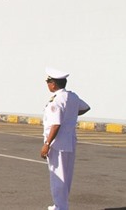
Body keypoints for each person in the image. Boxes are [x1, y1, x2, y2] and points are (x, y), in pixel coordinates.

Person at [41, 67, 90, 210]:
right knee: (66, 176)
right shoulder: (72, 96)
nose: (48, 84)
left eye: (48, 82)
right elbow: (86, 107)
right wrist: (71, 113)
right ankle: (61, 205)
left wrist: (47, 144)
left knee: (57, 177)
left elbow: (55, 124)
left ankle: (60, 207)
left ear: (53, 84)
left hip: (58, 144)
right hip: (69, 142)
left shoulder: (56, 100)